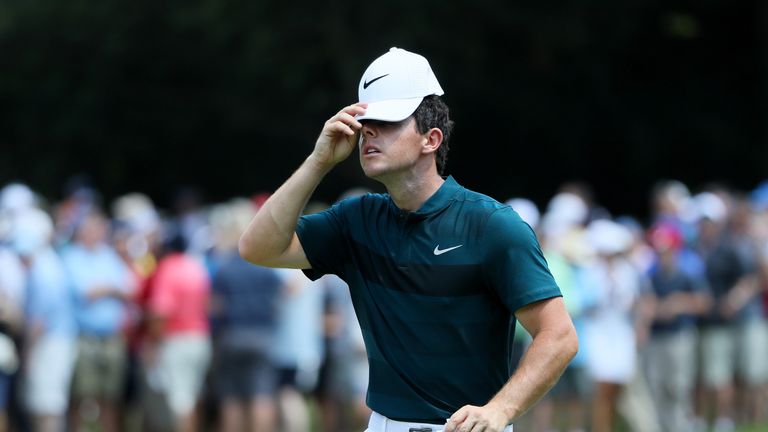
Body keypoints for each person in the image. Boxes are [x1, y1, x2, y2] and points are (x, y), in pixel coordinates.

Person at [239, 47, 578, 432]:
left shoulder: (493, 225)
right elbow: (258, 247)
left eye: (386, 122)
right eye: (366, 122)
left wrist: (500, 410)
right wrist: (319, 161)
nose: (368, 132)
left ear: (430, 139)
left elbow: (559, 335)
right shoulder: (357, 219)